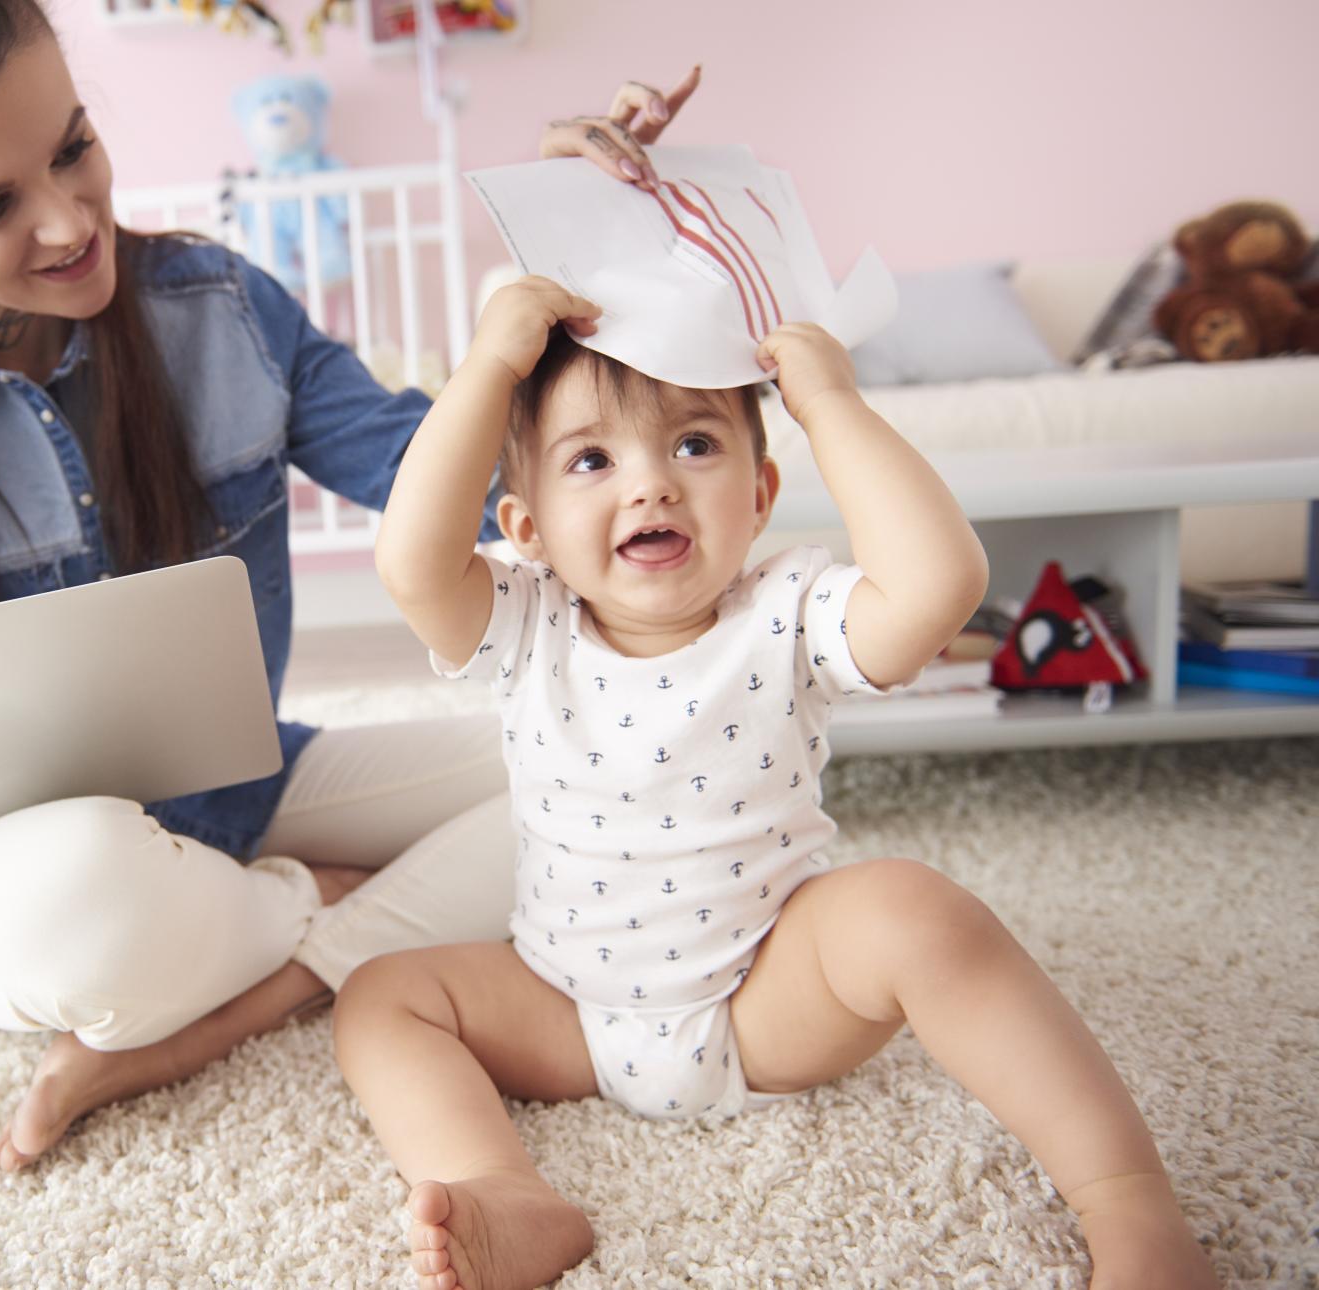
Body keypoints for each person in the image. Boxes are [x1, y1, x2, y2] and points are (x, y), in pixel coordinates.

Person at [0, 0, 705, 1172]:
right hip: (7, 882)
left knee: (640, 766)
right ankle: (311, 905)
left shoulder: (222, 312)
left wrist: (578, 248)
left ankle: (245, 989)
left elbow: (469, 482)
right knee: (83, 884)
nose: (69, 221)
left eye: (73, 148)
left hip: (235, 795)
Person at [335, 279, 1221, 1289]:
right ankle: (503, 1187)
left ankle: (1129, 1203)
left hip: (766, 996)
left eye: (694, 445)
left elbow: (939, 586)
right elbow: (412, 563)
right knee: (381, 997)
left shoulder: (790, 610)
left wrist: (830, 404)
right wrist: (489, 368)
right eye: (592, 460)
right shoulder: (521, 621)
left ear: (759, 495)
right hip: (562, 1004)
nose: (650, 485)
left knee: (914, 908)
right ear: (526, 527)